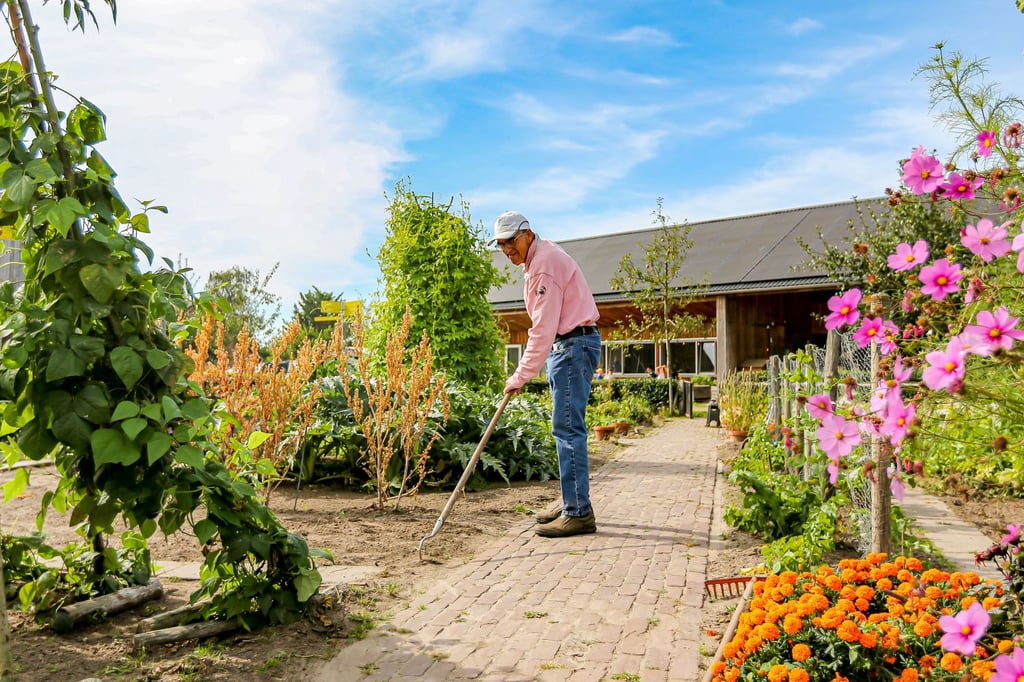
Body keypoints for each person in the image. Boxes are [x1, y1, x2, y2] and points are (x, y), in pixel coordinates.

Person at [491, 210, 601, 538]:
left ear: (527, 234)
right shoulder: (542, 255)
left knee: (567, 430)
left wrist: (520, 375)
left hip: (572, 346)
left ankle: (578, 512)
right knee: (564, 428)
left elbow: (542, 328)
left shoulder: (544, 265)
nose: (508, 250)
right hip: (568, 346)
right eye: (501, 245)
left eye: (511, 242)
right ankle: (572, 500)